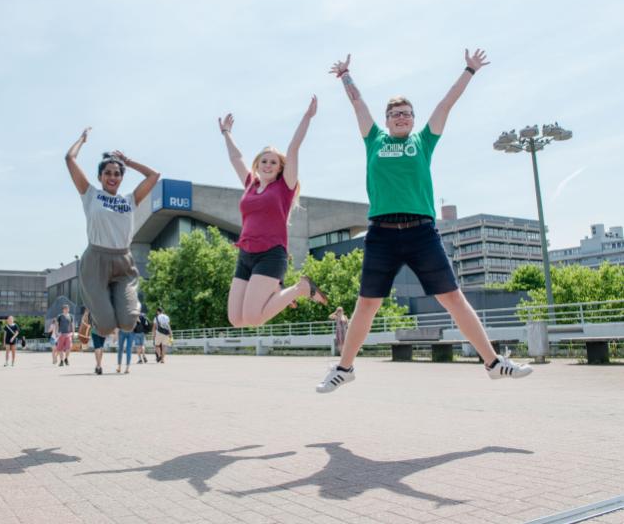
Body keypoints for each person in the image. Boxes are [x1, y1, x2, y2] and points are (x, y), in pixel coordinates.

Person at [317, 50, 533, 393]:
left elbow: (447, 103)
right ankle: (345, 367)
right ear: (386, 120)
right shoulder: (374, 139)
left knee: (453, 299)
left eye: (406, 113)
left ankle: (493, 363)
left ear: (413, 119)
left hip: (421, 233)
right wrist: (345, 75)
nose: (401, 117)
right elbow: (357, 102)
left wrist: (469, 70)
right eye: (395, 114)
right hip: (382, 234)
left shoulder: (423, 141)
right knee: (367, 304)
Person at [218, 97, 328, 329]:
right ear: (257, 164)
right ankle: (286, 290)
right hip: (246, 255)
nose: (268, 165)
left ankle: (300, 288)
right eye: (264, 161)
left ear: (280, 168)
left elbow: (293, 148)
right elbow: (236, 158)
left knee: (254, 318)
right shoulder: (249, 183)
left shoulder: (284, 187)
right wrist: (226, 133)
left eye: (274, 163)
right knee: (236, 320)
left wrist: (307, 117)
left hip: (271, 255)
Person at [65, 128, 160, 345]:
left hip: (123, 262)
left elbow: (154, 176)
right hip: (95, 260)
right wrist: (82, 140)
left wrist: (128, 161)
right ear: (100, 176)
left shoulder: (130, 200)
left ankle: (108, 304)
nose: (112, 177)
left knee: (128, 322)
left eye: (117, 173)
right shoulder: (90, 194)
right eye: (107, 173)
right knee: (106, 326)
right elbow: (69, 159)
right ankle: (92, 315)